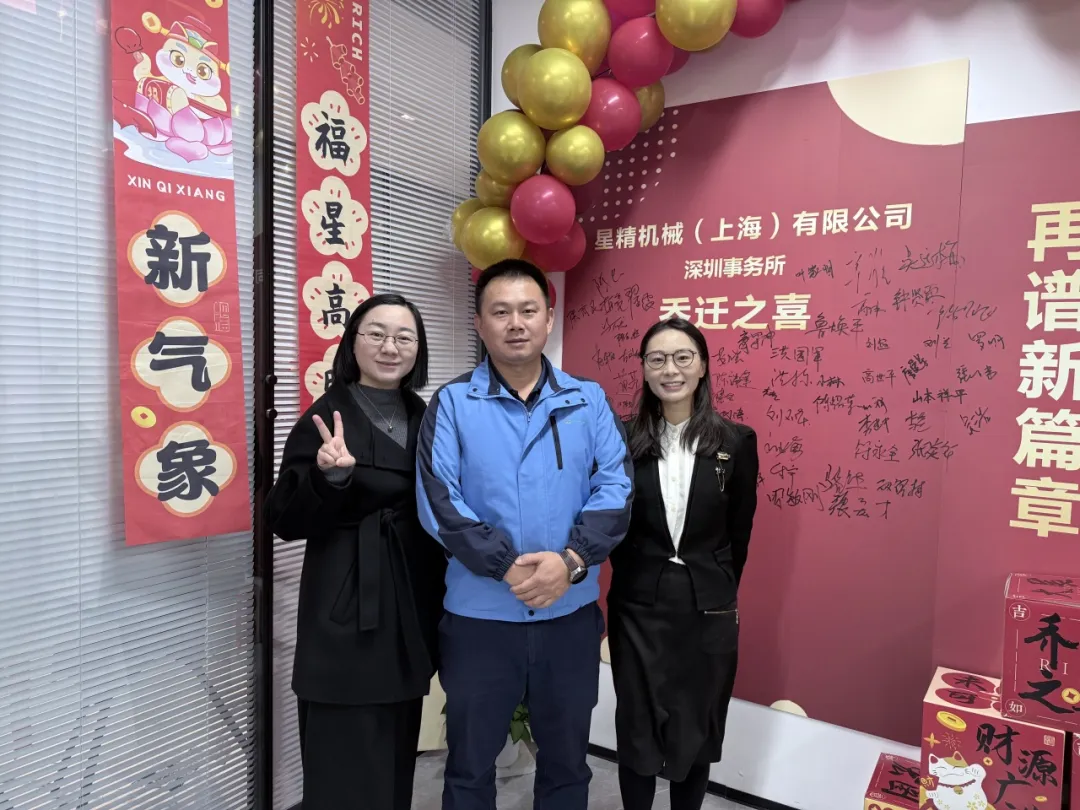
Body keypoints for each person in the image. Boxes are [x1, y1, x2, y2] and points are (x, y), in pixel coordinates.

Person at [416, 258, 634, 810]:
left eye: (528, 310)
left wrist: (572, 561)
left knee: (566, 765)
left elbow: (616, 488)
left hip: (569, 615)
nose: (516, 323)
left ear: (548, 318)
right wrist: (506, 567)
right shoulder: (453, 403)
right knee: (469, 767)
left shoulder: (587, 400)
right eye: (501, 311)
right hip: (481, 620)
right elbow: (438, 502)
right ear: (479, 323)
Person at [264, 293, 447, 810]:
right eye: (377, 334)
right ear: (353, 342)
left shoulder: (426, 416)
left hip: (410, 599)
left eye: (404, 337)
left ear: (418, 349)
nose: (391, 347)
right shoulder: (325, 418)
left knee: (395, 748)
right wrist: (331, 478)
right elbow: (284, 521)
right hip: (345, 603)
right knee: (344, 754)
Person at [608, 317, 759, 810]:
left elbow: (739, 531)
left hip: (707, 604)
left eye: (682, 358)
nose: (669, 370)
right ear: (644, 369)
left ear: (703, 367)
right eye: (657, 359)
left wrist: (719, 587)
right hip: (638, 603)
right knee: (637, 726)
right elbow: (609, 520)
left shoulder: (736, 442)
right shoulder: (621, 439)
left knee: (696, 727)